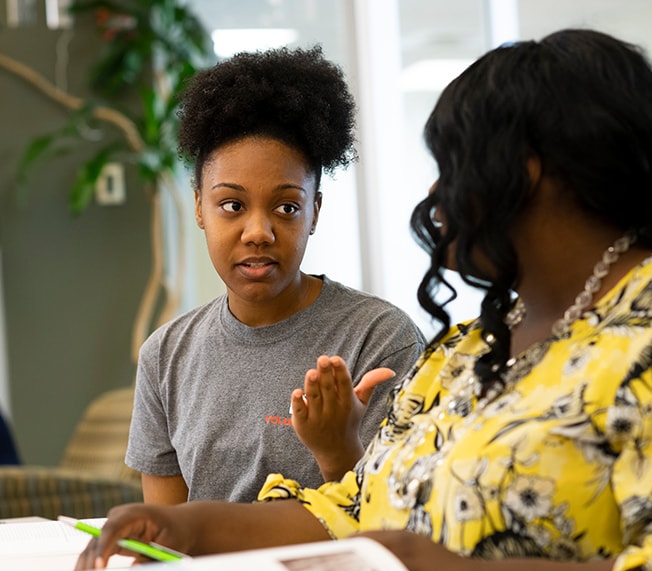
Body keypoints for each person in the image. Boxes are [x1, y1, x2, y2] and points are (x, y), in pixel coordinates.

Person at [78, 29, 652, 571]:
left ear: (530, 172)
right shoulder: (466, 352)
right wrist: (191, 531)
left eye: (450, 168)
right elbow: (350, 506)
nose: (434, 199)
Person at [125, 46, 426, 504]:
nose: (259, 233)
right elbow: (165, 537)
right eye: (232, 205)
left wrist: (338, 451)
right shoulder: (166, 355)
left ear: (314, 213)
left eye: (287, 207)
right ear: (199, 208)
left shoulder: (380, 340)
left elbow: (402, 521)